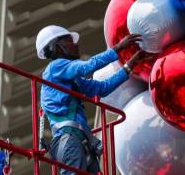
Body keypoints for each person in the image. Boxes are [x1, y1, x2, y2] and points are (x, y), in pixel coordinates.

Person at [36, 25, 150, 175]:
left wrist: (130, 65)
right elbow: (88, 66)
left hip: (79, 141)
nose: (76, 44)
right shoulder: (55, 68)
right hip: (70, 140)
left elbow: (102, 88)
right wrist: (118, 48)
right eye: (69, 41)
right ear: (57, 48)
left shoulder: (71, 79)